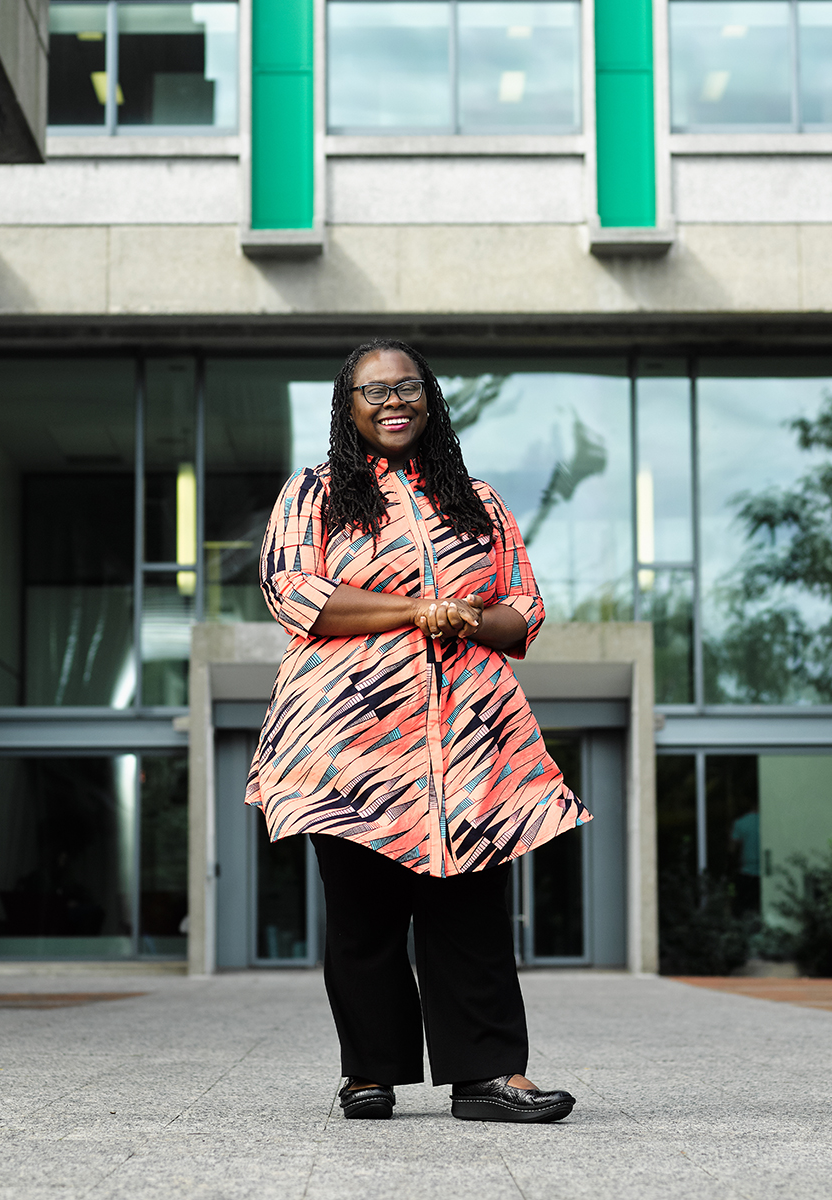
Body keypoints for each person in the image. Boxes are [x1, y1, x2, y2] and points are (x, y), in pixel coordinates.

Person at [246, 339, 590, 1124]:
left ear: (429, 398)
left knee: (469, 911)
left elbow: (521, 610)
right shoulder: (316, 494)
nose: (392, 401)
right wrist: (414, 610)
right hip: (348, 744)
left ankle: (489, 1075)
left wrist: (466, 614)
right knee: (365, 914)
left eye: (407, 387)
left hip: (470, 742)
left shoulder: (477, 499)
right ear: (349, 407)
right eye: (374, 391)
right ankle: (369, 1074)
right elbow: (297, 594)